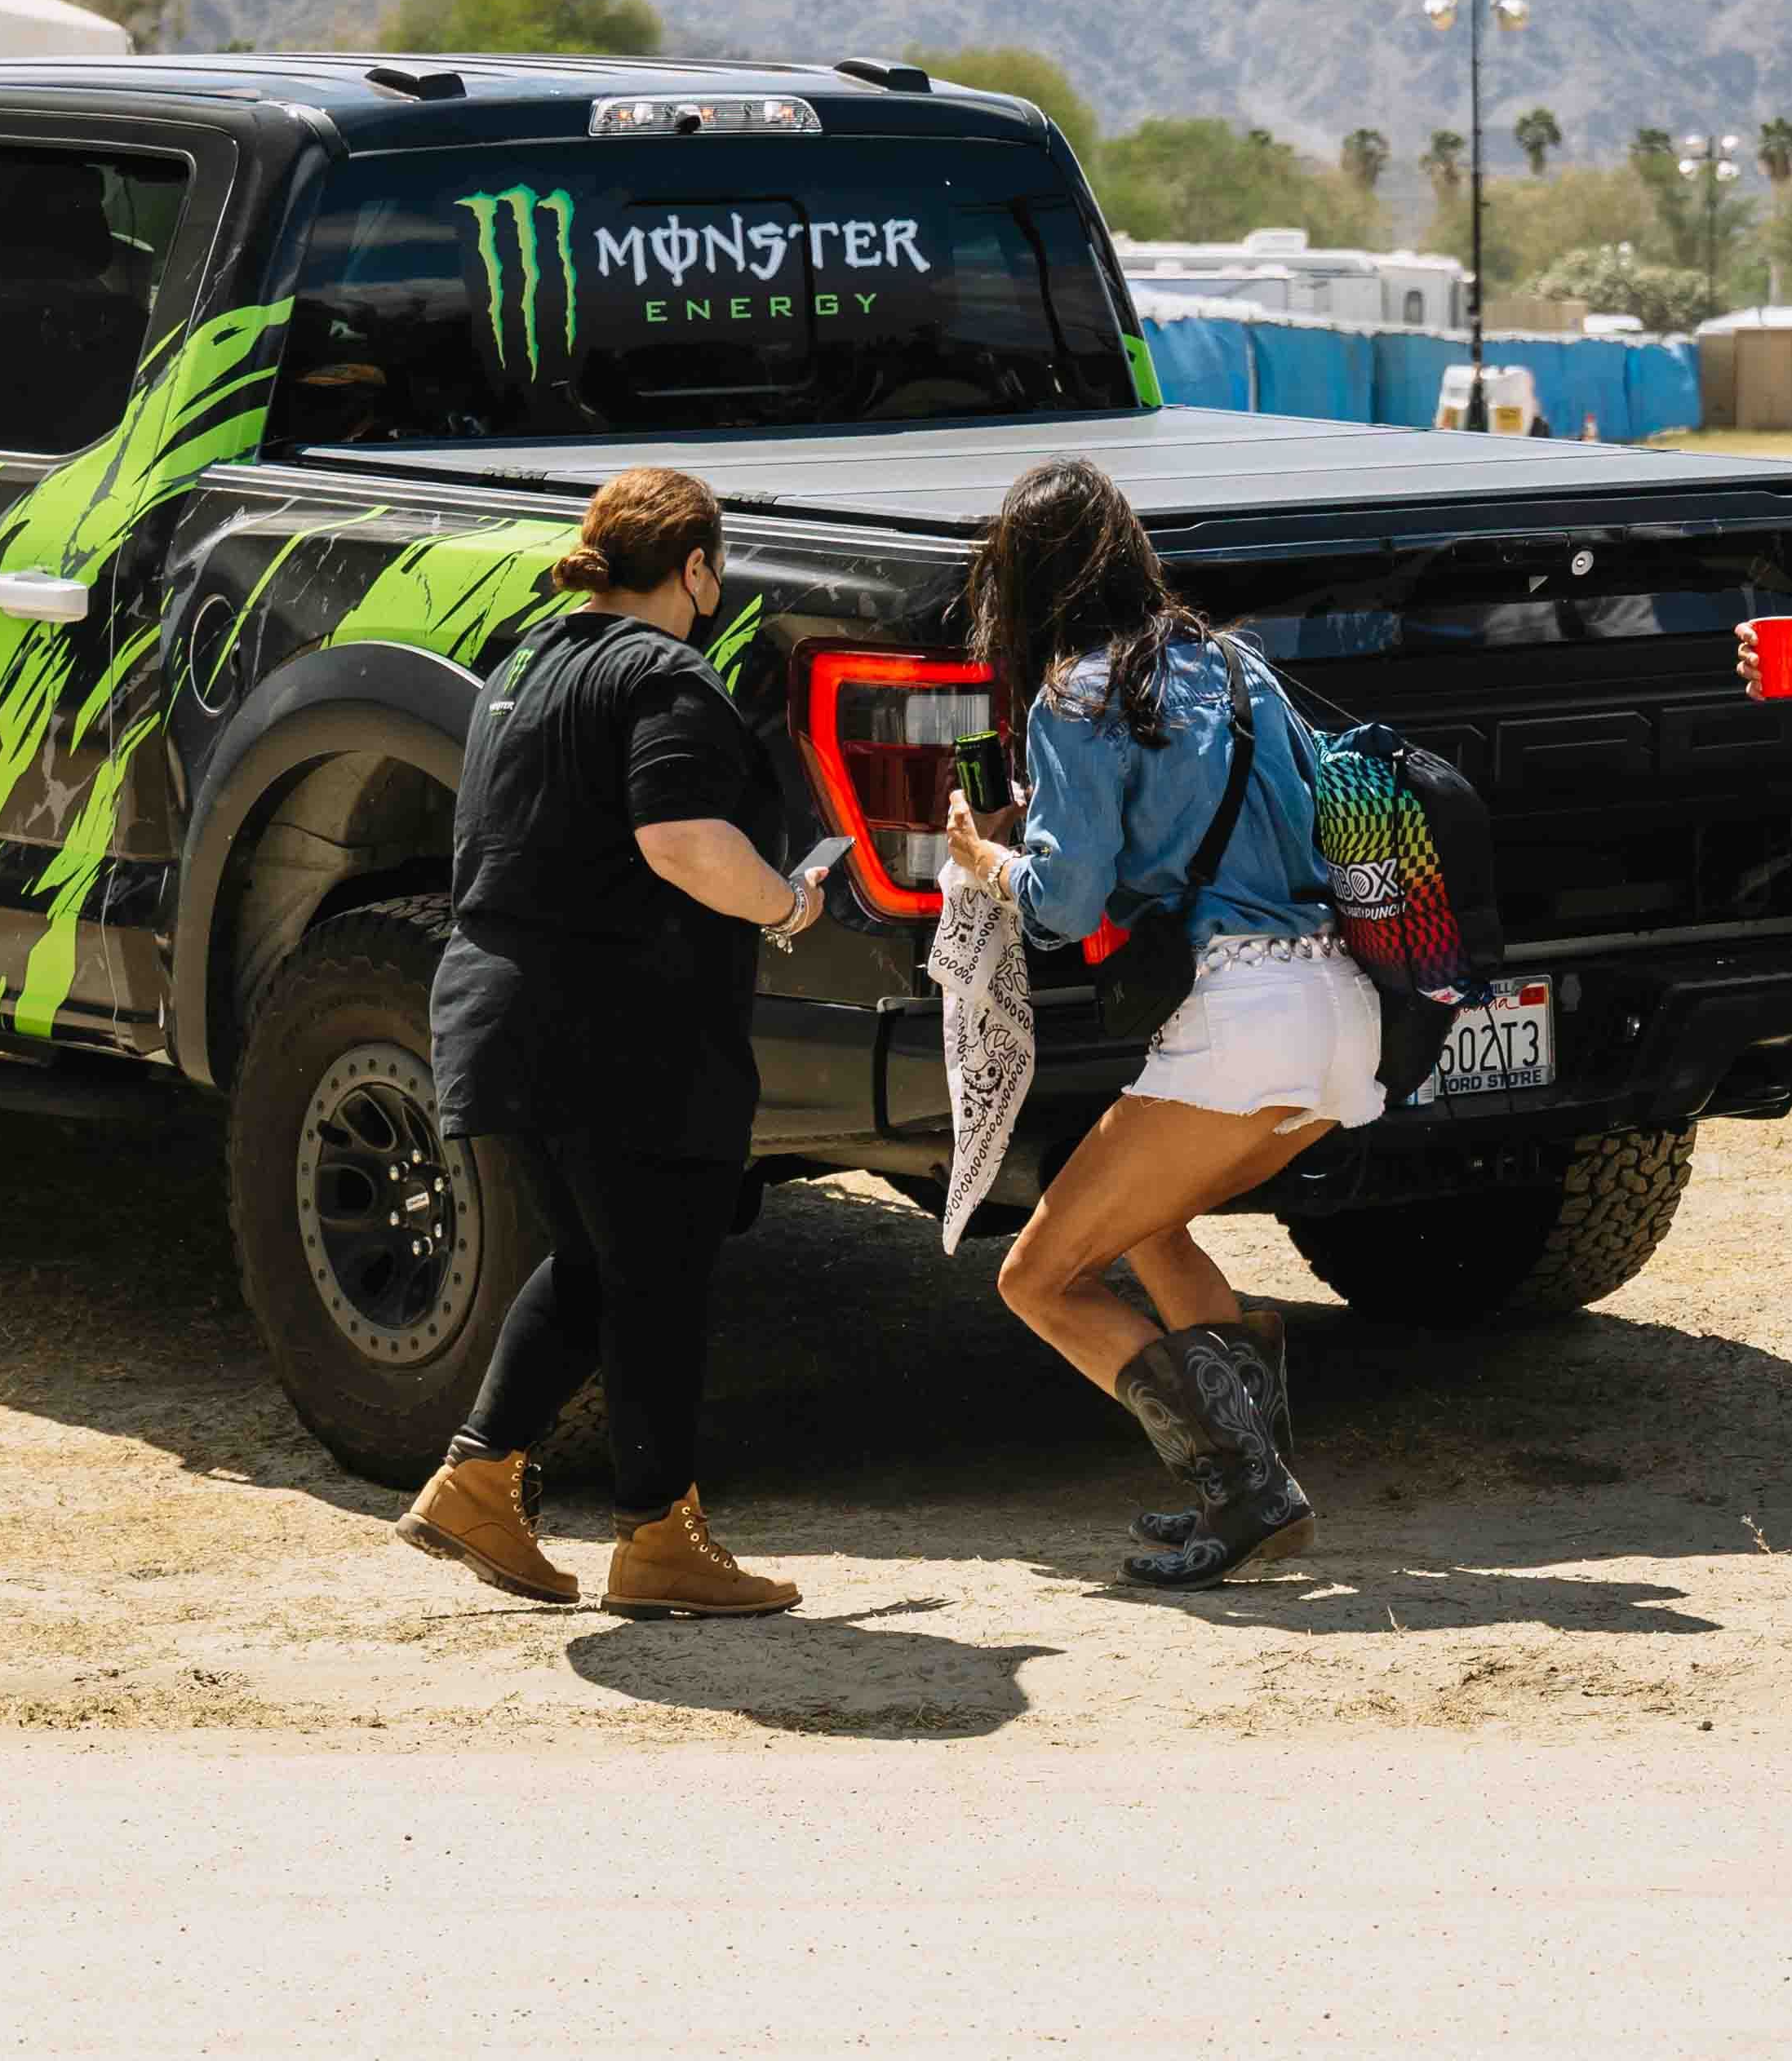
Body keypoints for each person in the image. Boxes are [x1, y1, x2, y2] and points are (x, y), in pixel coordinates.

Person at [928, 454, 1379, 1587]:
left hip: (1247, 1014)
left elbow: (1065, 906)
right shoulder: (1237, 665)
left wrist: (989, 857)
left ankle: (1247, 1489)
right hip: (1347, 1010)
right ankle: (1251, 1476)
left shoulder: (1076, 692)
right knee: (1143, 1227)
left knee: (1035, 1277)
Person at [397, 464, 825, 1620]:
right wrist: (785, 905)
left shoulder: (519, 667)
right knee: (663, 1278)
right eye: (714, 569)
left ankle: (478, 1477)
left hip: (499, 1016)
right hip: (626, 1029)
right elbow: (683, 839)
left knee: (597, 1266)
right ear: (694, 567)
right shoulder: (667, 673)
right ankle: (658, 1537)